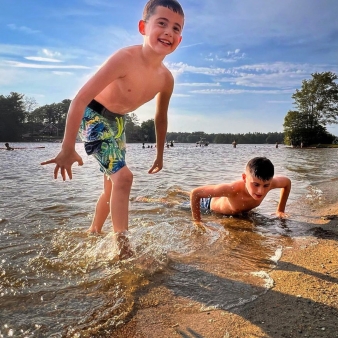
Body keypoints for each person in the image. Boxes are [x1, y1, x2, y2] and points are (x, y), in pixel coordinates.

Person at [41, 0, 184, 259]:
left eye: (176, 28)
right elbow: (79, 100)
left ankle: (93, 232)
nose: (168, 32)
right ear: (143, 26)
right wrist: (67, 147)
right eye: (161, 23)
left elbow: (160, 118)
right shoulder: (124, 59)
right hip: (93, 115)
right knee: (124, 178)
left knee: (112, 187)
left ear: (180, 39)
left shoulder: (166, 79)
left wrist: (160, 155)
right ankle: (124, 250)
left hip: (118, 124)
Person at [190, 157, 291, 223]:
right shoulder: (232, 189)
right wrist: (197, 222)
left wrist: (280, 210)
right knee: (179, 204)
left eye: (266, 186)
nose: (261, 191)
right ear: (244, 178)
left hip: (238, 213)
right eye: (255, 184)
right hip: (206, 205)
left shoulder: (271, 183)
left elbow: (287, 183)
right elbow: (195, 193)